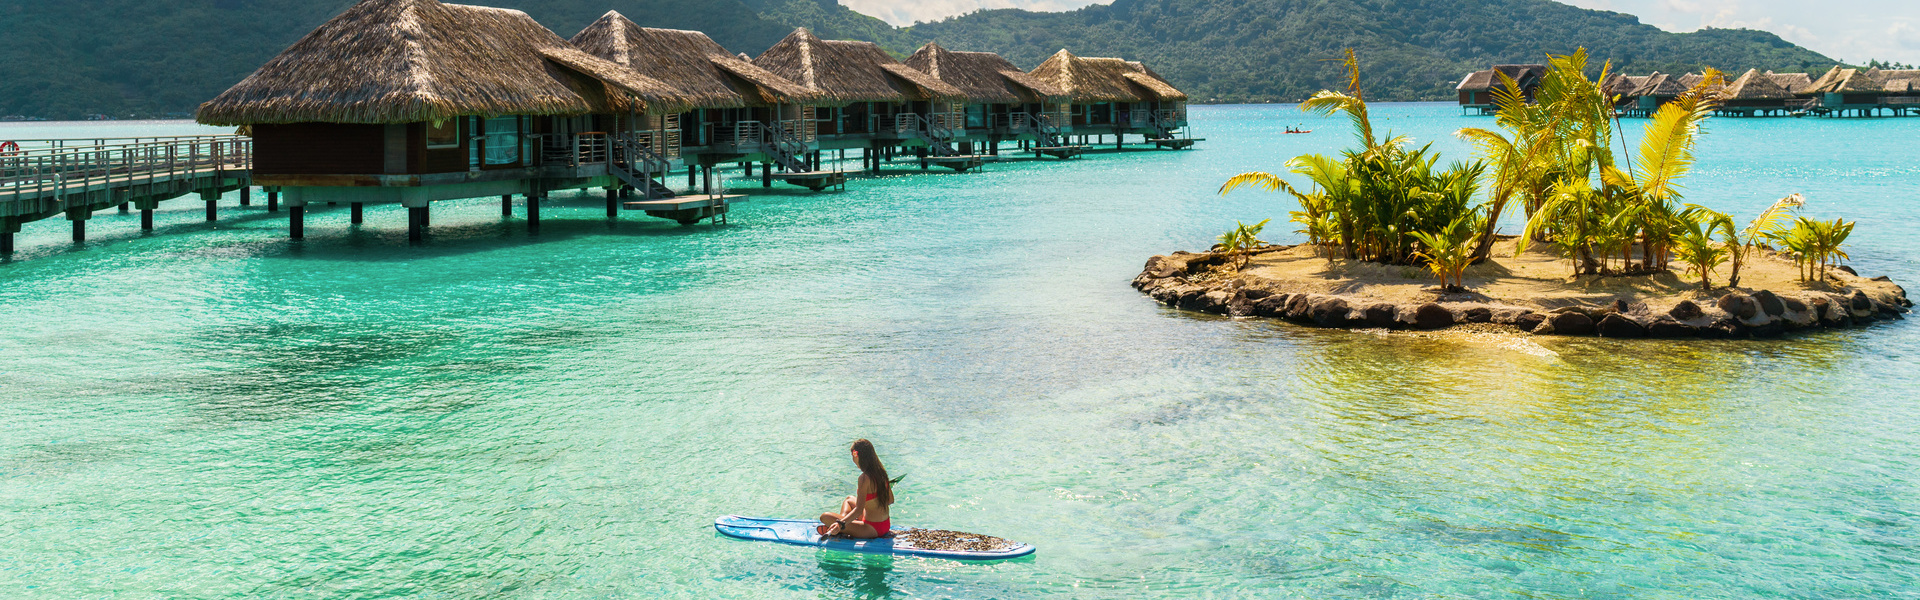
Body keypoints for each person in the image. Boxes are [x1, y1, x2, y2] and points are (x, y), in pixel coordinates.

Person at [817, 439, 893, 538]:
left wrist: (840, 524)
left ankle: (840, 527)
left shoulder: (864, 478)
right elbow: (890, 500)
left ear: (855, 455)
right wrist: (874, 502)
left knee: (825, 516)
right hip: (885, 525)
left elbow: (858, 510)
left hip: (872, 529)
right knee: (849, 499)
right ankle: (844, 524)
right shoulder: (882, 473)